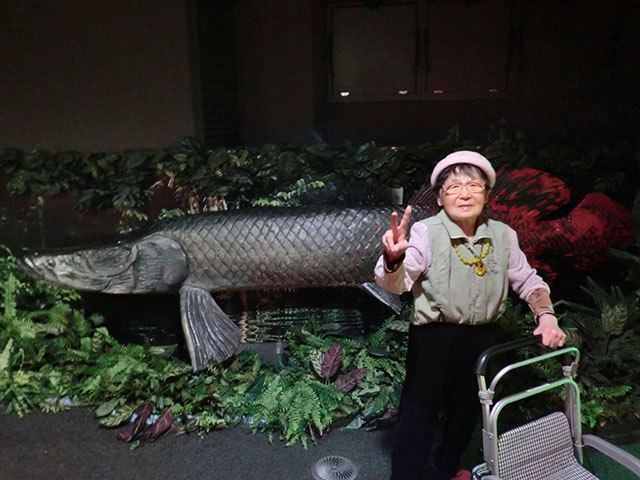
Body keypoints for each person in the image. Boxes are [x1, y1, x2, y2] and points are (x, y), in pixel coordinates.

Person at [374, 151, 566, 480]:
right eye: (453, 187)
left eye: (474, 186)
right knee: (418, 413)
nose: (464, 194)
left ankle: (447, 465)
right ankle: (407, 475)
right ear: (439, 197)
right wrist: (393, 259)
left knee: (467, 409)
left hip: (480, 338)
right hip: (433, 340)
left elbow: (528, 280)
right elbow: (397, 283)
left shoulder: (503, 235)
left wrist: (546, 316)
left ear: (486, 194)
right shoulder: (425, 232)